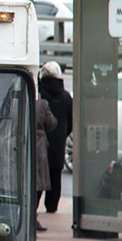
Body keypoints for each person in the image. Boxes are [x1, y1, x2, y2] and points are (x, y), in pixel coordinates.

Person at [39, 61, 73, 214]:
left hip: (40, 141)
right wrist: (62, 133)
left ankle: (35, 205)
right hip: (59, 141)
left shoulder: (38, 93)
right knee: (55, 173)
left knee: (39, 172)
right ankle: (52, 205)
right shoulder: (65, 97)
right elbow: (71, 121)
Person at [34, 97, 54, 231]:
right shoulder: (42, 104)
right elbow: (51, 123)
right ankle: (32, 216)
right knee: (38, 182)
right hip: (38, 147)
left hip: (19, 144)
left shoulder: (14, 98)